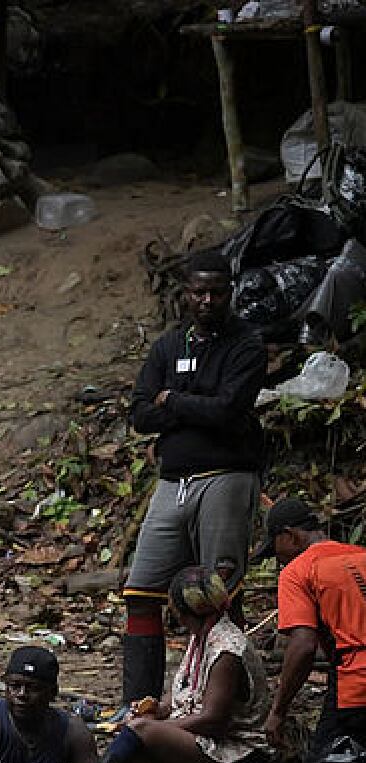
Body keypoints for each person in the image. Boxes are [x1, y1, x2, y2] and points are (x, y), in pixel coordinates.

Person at [119, 250, 265, 706]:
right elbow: (140, 413)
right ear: (185, 293)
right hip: (173, 481)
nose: (206, 299)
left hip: (226, 476)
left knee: (218, 593)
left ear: (229, 292)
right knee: (141, 590)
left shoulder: (246, 344)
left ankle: (225, 701)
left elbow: (228, 411)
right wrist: (186, 404)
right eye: (198, 291)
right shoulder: (169, 345)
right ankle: (138, 704)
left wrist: (173, 401)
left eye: (216, 291)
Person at [104, 564, 269, 763]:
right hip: (202, 742)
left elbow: (212, 720)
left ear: (181, 612)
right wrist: (158, 709)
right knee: (137, 761)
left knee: (140, 730)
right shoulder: (201, 634)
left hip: (233, 752)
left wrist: (157, 727)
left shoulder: (226, 651)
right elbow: (183, 691)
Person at [261, 498, 366, 758]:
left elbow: (304, 646)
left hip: (356, 685)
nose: (279, 560)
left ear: (290, 536)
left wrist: (278, 711)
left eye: (276, 551)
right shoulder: (361, 555)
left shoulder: (298, 572)